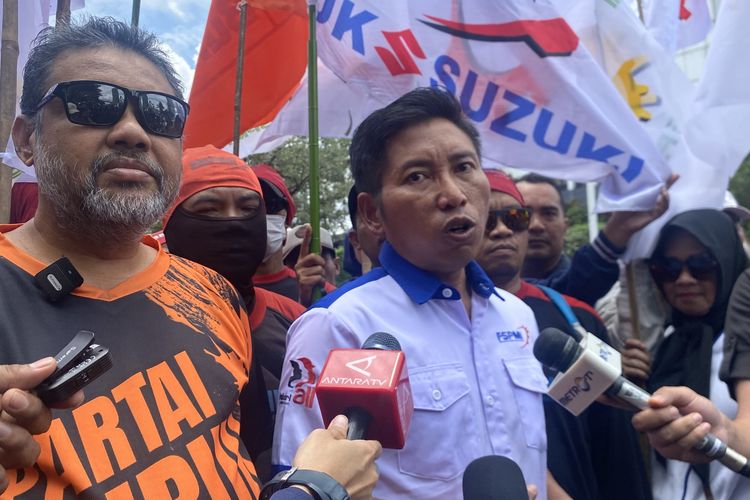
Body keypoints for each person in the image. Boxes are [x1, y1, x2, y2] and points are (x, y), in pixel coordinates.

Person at [0, 18, 379, 498]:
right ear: (26, 139)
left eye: (160, 114)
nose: (133, 132)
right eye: (93, 103)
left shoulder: (213, 292)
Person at [272, 87, 548, 499]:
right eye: (417, 176)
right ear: (372, 213)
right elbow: (306, 483)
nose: (454, 194)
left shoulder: (518, 316)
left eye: (464, 167)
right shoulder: (339, 325)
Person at [476, 169, 651, 500]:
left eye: (515, 218)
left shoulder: (578, 319)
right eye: (486, 220)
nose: (502, 230)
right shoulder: (440, 326)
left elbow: (615, 446)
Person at [161, 145, 306, 481]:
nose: (232, 221)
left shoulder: (296, 321)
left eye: (247, 209)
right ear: (172, 223)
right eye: (209, 209)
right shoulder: (143, 327)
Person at [640, 209, 749, 499]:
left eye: (701, 264)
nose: (684, 279)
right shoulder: (663, 345)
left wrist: (727, 434)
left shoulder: (742, 344)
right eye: (668, 268)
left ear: (728, 261)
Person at [517, 173, 673, 306]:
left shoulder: (610, 298)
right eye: (522, 214)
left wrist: (618, 230)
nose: (536, 225)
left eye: (549, 213)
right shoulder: (500, 293)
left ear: (566, 225)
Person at [252, 164, 300, 300]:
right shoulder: (217, 294)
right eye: (249, 207)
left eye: (271, 204)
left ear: (286, 221)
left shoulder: (317, 292)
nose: (261, 215)